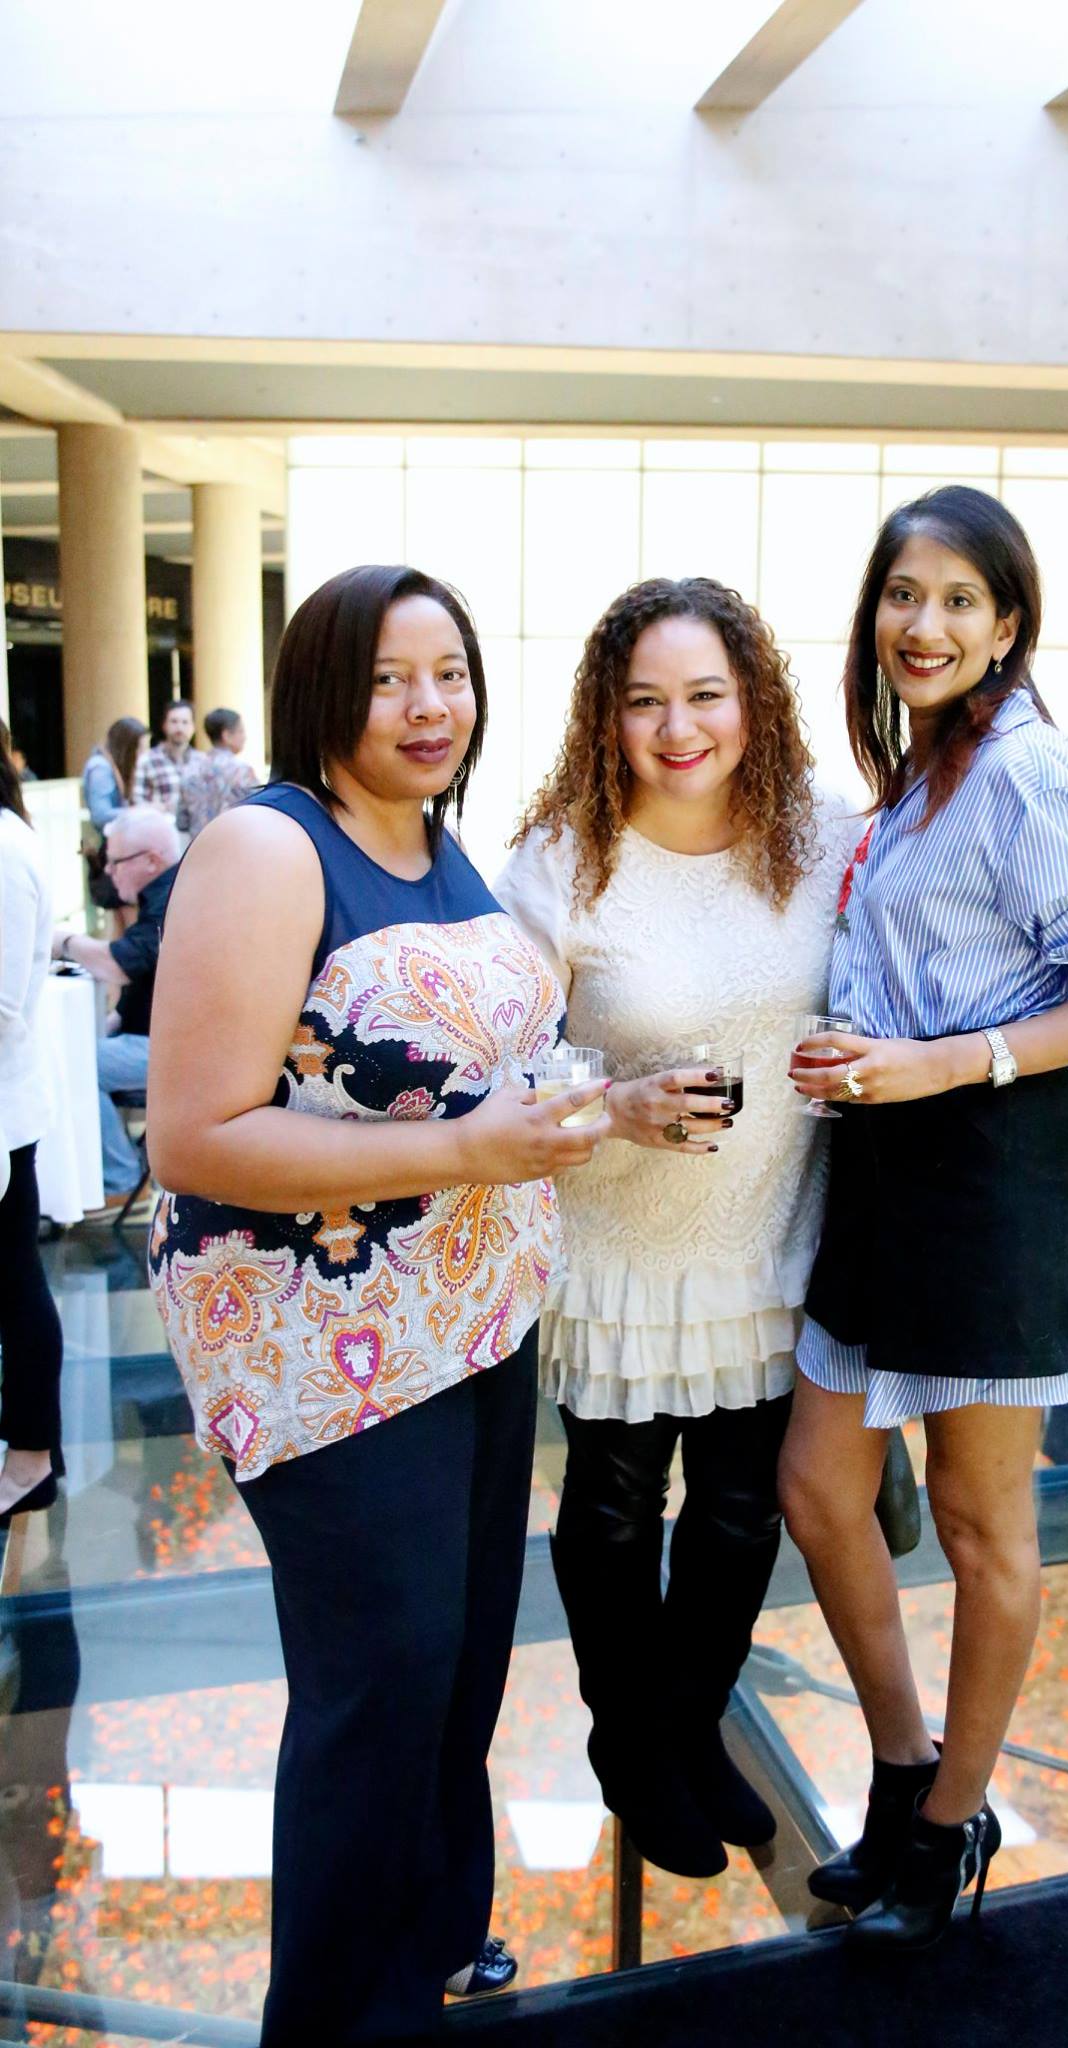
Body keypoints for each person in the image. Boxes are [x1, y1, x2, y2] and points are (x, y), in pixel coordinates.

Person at [144, 564, 608, 2047]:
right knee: (379, 1688)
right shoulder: (270, 848)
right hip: (324, 1349)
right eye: (390, 678)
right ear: (324, 692)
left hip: (470, 1325)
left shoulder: (437, 843)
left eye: (451, 673)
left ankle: (432, 1950)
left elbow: (451, 1067)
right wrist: (473, 1150)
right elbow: (196, 1135)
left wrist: (612, 1106)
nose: (429, 708)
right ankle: (340, 2018)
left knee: (457, 1672)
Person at [777, 487, 1068, 1949]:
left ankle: (949, 1827)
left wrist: (935, 1060)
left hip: (993, 1172)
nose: (920, 624)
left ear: (1007, 626)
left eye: (956, 600)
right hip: (883, 1172)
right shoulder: (917, 773)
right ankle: (902, 1767)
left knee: (976, 1518)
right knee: (819, 1490)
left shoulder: (1024, 767)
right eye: (901, 594)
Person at [497, 577, 857, 1879]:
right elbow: (506, 1060)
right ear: (606, 715)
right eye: (643, 700)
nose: (677, 726)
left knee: (741, 1509)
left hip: (771, 1230)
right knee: (609, 1511)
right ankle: (630, 1746)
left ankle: (691, 1724)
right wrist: (616, 1100)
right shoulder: (561, 858)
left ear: (754, 701)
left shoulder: (823, 836)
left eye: (705, 694)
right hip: (620, 1242)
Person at [51, 806, 180, 1213]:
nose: (110, 872)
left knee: (77, 1063)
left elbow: (121, 965)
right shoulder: (169, 892)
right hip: (161, 1038)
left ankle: (122, 1178)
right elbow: (139, 985)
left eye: (116, 862)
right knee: (83, 1049)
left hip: (179, 1051)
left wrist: (65, 941)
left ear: (151, 861)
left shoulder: (171, 899)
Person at [0, 720, 64, 1523]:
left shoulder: (7, 852)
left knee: (16, 1286)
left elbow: (3, 1006)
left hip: (4, 1112)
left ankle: (32, 1455)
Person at [81, 715, 149, 913]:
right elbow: (101, 815)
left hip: (115, 851)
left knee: (121, 918)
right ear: (128, 747)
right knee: (125, 916)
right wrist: (142, 812)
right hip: (111, 852)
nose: (143, 754)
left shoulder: (105, 766)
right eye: (140, 748)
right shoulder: (101, 767)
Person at [179, 707, 259, 841]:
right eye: (241, 731)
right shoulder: (241, 771)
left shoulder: (190, 769)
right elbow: (258, 814)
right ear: (226, 735)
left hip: (197, 851)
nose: (244, 737)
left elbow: (181, 822)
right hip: (233, 848)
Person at [132, 698, 196, 821]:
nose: (179, 728)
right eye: (174, 721)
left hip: (197, 834)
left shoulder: (202, 762)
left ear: (193, 727)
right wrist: (156, 808)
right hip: (160, 832)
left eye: (185, 722)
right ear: (164, 725)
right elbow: (136, 803)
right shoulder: (147, 760)